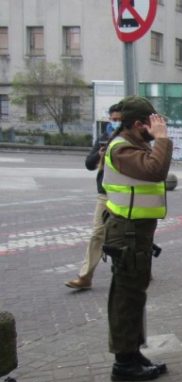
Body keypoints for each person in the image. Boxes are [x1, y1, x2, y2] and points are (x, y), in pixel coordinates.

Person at [100, 96, 171, 382]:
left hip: (135, 231)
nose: (156, 128)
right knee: (126, 298)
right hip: (127, 232)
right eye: (152, 123)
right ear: (139, 124)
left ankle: (132, 353)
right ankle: (124, 363)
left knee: (134, 295)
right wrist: (162, 139)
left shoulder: (134, 144)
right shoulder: (122, 148)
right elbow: (155, 171)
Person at [65, 104, 122, 290]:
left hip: (126, 195)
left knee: (128, 233)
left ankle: (140, 266)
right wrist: (99, 155)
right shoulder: (104, 138)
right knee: (98, 233)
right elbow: (89, 164)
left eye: (118, 119)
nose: (115, 123)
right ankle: (85, 276)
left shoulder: (129, 139)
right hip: (105, 194)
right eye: (112, 119)